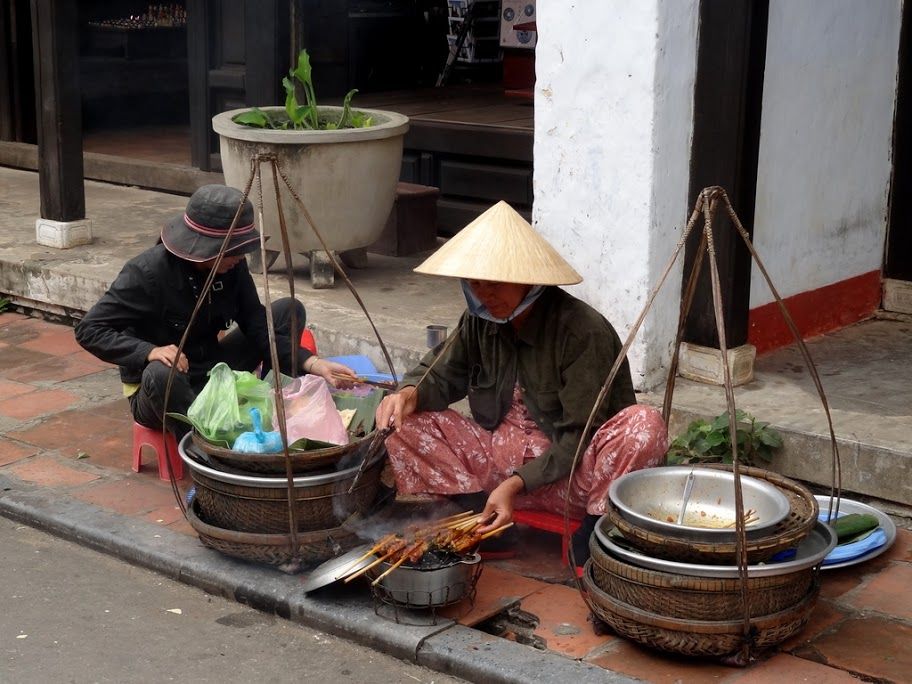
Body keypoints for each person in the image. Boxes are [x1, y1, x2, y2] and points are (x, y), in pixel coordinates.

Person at [375, 201, 669, 566]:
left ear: (528, 279)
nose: (485, 294)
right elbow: (440, 372)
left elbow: (579, 437)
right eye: (476, 283)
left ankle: (595, 535)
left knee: (645, 425)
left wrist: (516, 483)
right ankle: (485, 523)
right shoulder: (479, 320)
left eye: (495, 283)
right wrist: (407, 393)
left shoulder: (581, 330)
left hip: (569, 478)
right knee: (402, 421)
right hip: (494, 469)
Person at [75, 184, 356, 438]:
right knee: (162, 373)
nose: (239, 259)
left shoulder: (231, 265)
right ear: (206, 249)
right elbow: (89, 330)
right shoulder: (147, 272)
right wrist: (149, 351)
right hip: (163, 391)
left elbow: (256, 323)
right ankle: (202, 450)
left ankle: (275, 403)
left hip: (212, 371)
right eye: (233, 252)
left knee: (288, 311)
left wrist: (313, 363)